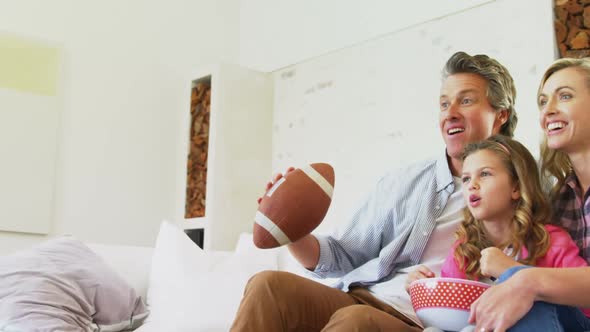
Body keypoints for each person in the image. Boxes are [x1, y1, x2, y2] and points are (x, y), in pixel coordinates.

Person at [230, 51, 519, 331]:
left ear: (501, 114)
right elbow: (341, 255)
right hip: (363, 297)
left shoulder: (523, 190)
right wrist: (290, 229)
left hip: (415, 320)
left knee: (356, 321)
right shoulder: (405, 182)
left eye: (466, 101)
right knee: (268, 287)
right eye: (444, 105)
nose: (451, 114)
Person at [414, 135, 588, 332]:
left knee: (522, 291)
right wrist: (422, 287)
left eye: (485, 174)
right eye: (466, 178)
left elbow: (584, 308)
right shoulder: (463, 248)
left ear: (516, 187)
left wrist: (510, 270)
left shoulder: (551, 241)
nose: (472, 184)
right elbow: (453, 312)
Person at [466, 58, 590, 332]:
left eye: (565, 96)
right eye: (543, 102)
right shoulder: (561, 198)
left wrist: (527, 280)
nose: (548, 111)